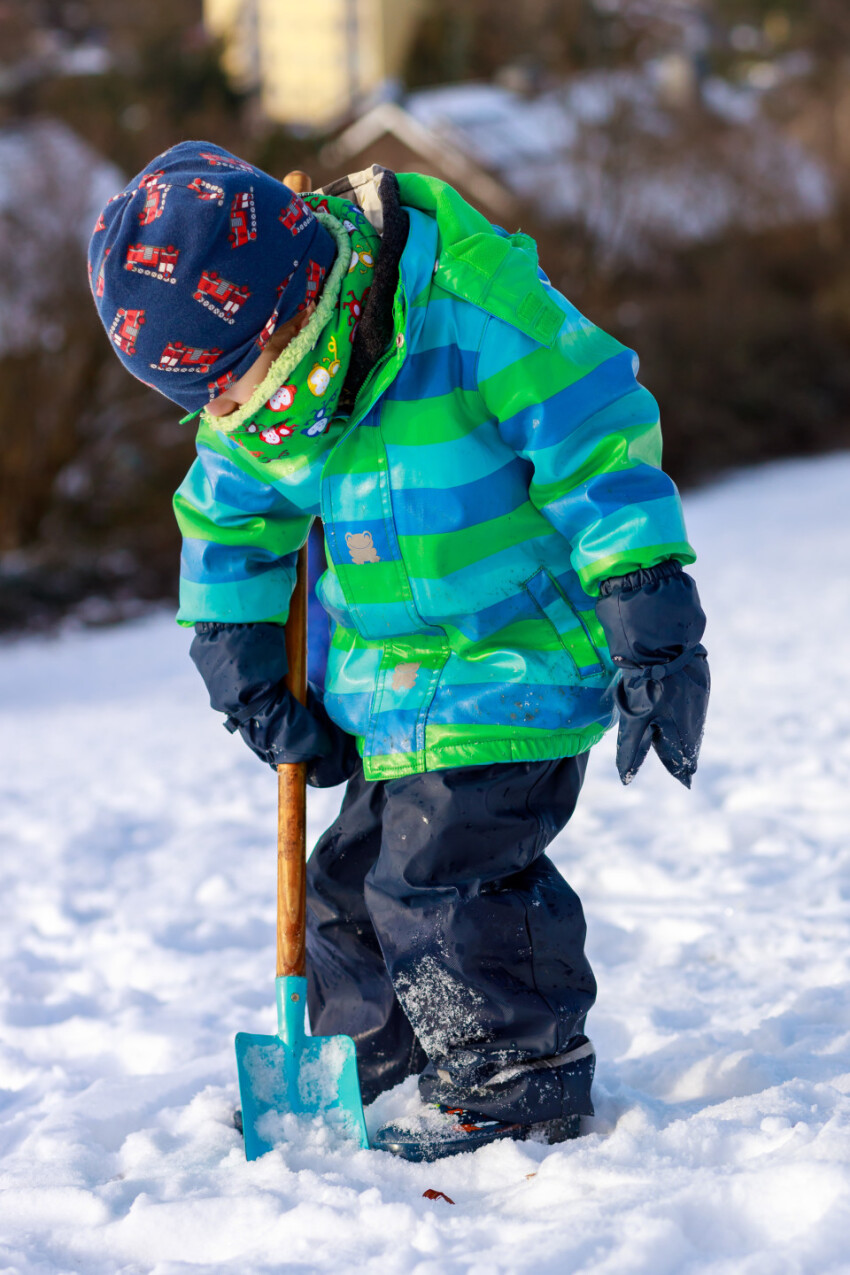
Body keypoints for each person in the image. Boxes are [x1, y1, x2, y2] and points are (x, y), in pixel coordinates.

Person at [88, 141, 709, 1163]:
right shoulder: (265, 375)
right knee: (349, 881)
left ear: (301, 304)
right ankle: (364, 1055)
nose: (258, 420)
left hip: (520, 659)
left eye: (263, 385)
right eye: (228, 403)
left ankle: (517, 1068)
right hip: (395, 686)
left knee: (443, 877)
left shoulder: (475, 309)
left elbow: (595, 443)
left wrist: (649, 608)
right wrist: (236, 651)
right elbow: (233, 515)